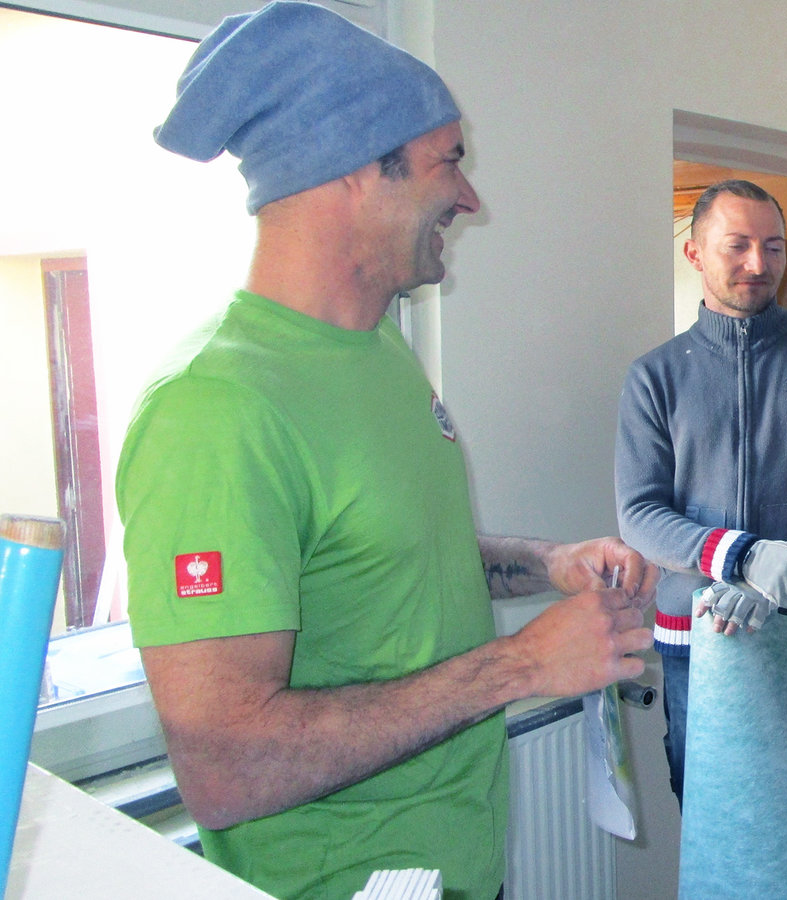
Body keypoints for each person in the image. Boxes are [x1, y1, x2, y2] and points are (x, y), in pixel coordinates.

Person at [116, 4, 655, 898]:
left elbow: (389, 557)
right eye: (449, 161)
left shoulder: (378, 349)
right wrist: (520, 665)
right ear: (358, 170)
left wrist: (548, 564)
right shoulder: (213, 409)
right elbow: (225, 769)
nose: (470, 197)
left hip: (455, 870)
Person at [614, 179, 787, 803]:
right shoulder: (656, 376)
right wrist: (743, 559)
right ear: (694, 252)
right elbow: (639, 511)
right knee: (716, 813)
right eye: (737, 245)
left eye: (773, 247)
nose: (758, 264)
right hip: (702, 636)